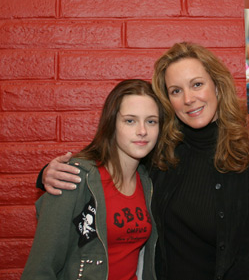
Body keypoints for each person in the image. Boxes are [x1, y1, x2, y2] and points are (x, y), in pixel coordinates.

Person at [36, 43, 249, 280]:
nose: (189, 99)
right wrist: (48, 174)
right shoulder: (159, 153)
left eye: (197, 84)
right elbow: (108, 159)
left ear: (218, 87)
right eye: (175, 91)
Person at [23, 79, 161, 280]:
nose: (142, 130)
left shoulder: (148, 181)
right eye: (130, 120)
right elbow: (39, 270)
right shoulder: (73, 178)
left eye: (151, 121)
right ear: (111, 124)